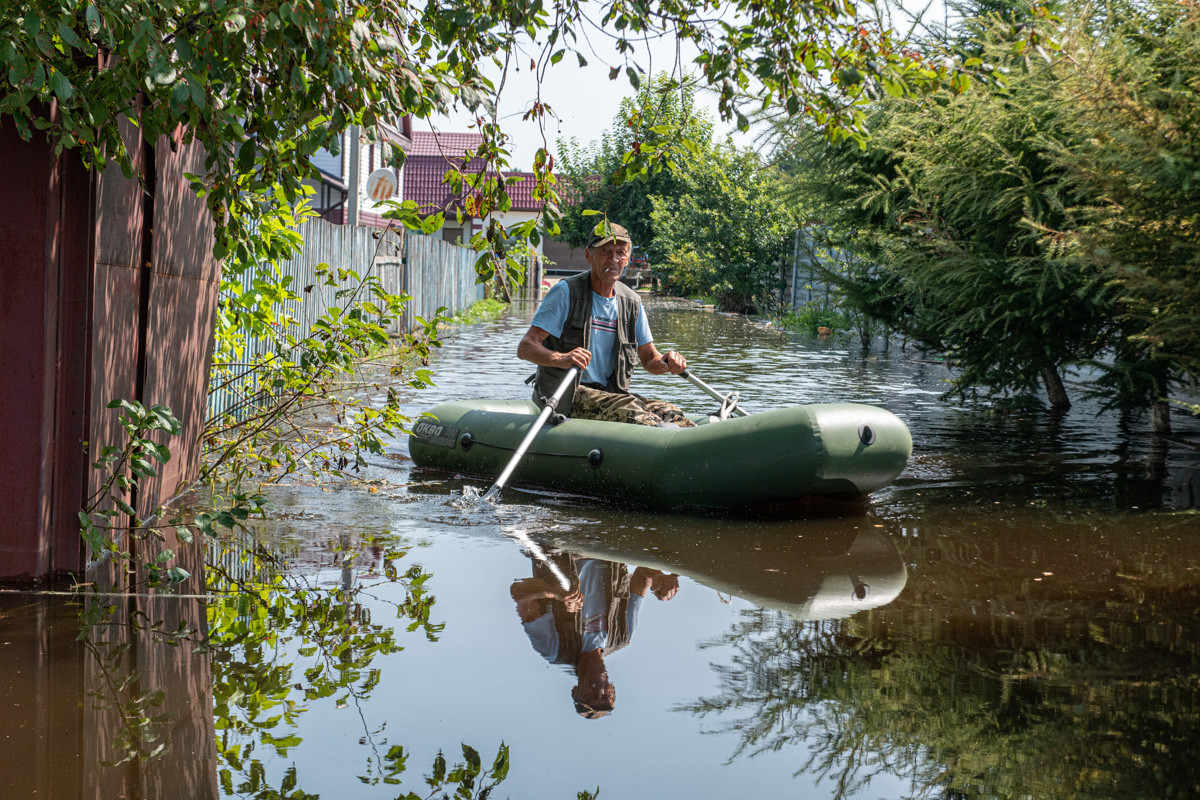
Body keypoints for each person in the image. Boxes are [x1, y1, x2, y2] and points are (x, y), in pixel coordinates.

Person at [517, 221, 696, 427]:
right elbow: (525, 347)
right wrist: (562, 358)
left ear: (628, 258)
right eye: (605, 252)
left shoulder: (631, 302)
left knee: (671, 413)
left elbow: (649, 360)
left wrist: (667, 361)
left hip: (611, 394)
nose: (614, 259)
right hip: (566, 395)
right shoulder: (565, 292)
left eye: (621, 252)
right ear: (588, 255)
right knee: (640, 417)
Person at [510, 552, 680, 719]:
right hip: (610, 548)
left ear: (575, 691)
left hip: (562, 548)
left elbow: (518, 592)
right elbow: (643, 574)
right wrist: (660, 578)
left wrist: (556, 593)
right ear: (612, 689)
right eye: (606, 696)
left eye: (590, 695)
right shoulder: (623, 635)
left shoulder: (553, 648)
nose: (599, 690)